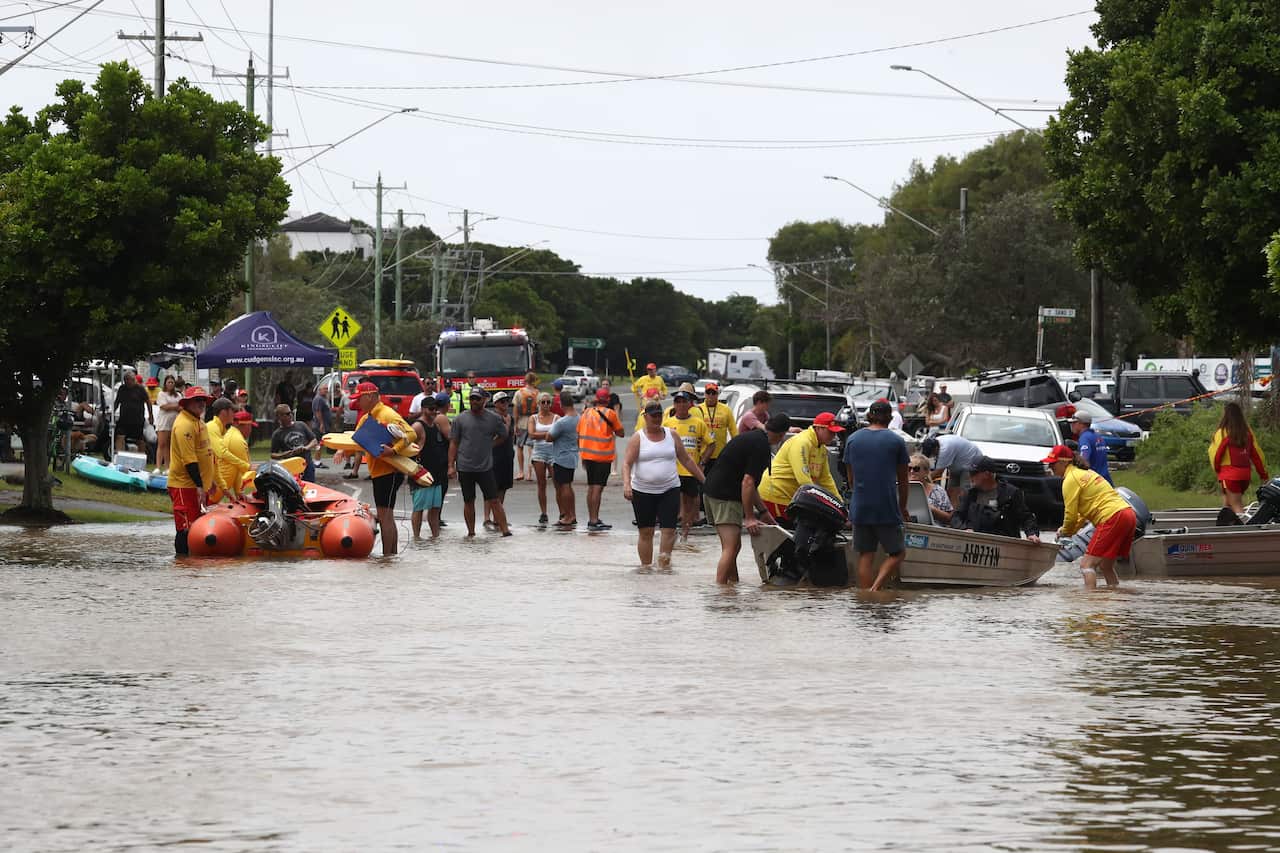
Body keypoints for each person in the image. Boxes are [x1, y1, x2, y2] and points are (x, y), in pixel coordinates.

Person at [703, 414, 791, 583]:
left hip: (712, 492)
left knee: (732, 547)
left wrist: (764, 511)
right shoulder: (761, 446)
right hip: (724, 496)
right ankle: (720, 591)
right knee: (731, 547)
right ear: (782, 435)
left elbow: (751, 485)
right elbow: (748, 482)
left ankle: (732, 586)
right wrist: (750, 517)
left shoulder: (755, 437)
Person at [622, 398, 705, 571]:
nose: (657, 419)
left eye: (659, 415)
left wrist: (704, 480)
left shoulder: (671, 435)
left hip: (669, 489)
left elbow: (686, 460)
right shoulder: (638, 438)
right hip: (642, 491)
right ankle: (646, 568)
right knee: (646, 533)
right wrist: (626, 485)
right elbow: (627, 463)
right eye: (653, 416)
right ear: (645, 417)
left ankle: (664, 566)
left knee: (669, 530)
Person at [1048, 444, 1136, 591]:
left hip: (1112, 517)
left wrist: (1065, 534)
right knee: (1106, 565)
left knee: (1086, 565)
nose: (1050, 468)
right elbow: (1080, 515)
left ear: (1064, 462)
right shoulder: (1086, 473)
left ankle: (1090, 602)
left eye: (1052, 464)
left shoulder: (1070, 480)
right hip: (1128, 514)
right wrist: (1067, 530)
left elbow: (1069, 514)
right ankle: (1117, 598)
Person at [843, 400, 910, 591]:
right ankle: (875, 590)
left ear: (869, 416)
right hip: (885, 506)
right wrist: (902, 507)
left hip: (860, 506)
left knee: (866, 554)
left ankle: (866, 597)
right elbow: (903, 480)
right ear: (890, 418)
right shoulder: (896, 441)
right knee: (898, 553)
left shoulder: (853, 439)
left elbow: (850, 479)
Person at [353, 381, 417, 555]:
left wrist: (394, 450)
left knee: (385, 516)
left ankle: (388, 557)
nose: (357, 402)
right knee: (385, 516)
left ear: (370, 396)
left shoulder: (387, 414)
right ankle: (391, 556)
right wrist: (343, 452)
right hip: (379, 473)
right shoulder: (367, 417)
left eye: (360, 398)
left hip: (389, 472)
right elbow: (355, 439)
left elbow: (411, 433)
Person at [448, 387, 511, 537]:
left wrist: (491, 444)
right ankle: (471, 533)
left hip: (485, 467)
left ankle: (505, 531)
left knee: (494, 499)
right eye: (472, 399)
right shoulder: (460, 419)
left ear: (484, 400)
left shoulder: (493, 418)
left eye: (477, 399)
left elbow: (504, 435)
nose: (474, 401)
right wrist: (451, 466)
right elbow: (454, 443)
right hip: (465, 466)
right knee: (468, 501)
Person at [758, 411, 843, 522]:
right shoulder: (802, 443)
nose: (833, 436)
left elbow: (826, 479)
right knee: (786, 534)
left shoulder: (821, 448)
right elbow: (804, 480)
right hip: (775, 493)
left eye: (834, 433)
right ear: (818, 428)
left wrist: (839, 504)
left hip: (792, 497)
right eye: (830, 432)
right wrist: (823, 503)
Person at [167, 386, 217, 555]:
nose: (201, 403)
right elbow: (190, 461)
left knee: (197, 526)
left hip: (199, 484)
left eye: (203, 400)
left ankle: (193, 561)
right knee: (185, 528)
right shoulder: (184, 425)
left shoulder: (198, 422)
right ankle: (182, 562)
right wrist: (199, 486)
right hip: (184, 485)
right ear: (187, 403)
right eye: (197, 400)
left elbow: (206, 453)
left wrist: (211, 480)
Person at [951, 456, 1040, 541]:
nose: (970, 477)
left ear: (986, 474)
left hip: (1004, 546)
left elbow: (1026, 517)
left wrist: (1031, 534)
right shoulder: (969, 494)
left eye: (973, 473)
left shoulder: (1011, 493)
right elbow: (956, 516)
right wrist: (964, 529)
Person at [574, 388, 625, 531]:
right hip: (602, 456)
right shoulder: (610, 414)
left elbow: (579, 432)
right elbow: (621, 432)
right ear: (608, 400)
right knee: (598, 488)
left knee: (591, 487)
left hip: (588, 456)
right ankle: (594, 520)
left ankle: (592, 518)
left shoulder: (586, 413)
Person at [663, 389, 712, 540]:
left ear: (689, 404)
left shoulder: (698, 423)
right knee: (671, 504)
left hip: (690, 471)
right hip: (672, 471)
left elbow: (711, 444)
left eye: (684, 402)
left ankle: (685, 533)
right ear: (674, 405)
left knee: (690, 503)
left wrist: (702, 462)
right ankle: (670, 533)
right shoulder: (668, 423)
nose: (681, 405)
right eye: (678, 402)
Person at [1209, 401, 1269, 517]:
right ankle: (1224, 529)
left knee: (1236, 505)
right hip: (1245, 475)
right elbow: (1257, 455)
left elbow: (1216, 454)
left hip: (1229, 475)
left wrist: (1217, 470)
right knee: (1227, 504)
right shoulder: (1247, 432)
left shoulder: (1221, 433)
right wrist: (1263, 475)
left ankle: (1245, 531)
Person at [410, 395, 450, 539]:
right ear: (422, 409)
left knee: (435, 509)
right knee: (419, 508)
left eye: (436, 409)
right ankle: (416, 537)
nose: (434, 412)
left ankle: (435, 538)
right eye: (431, 409)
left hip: (437, 474)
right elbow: (406, 448)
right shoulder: (417, 426)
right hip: (421, 475)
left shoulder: (436, 425)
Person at [546, 392, 581, 528]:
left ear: (561, 404)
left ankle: (567, 516)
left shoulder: (562, 422)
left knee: (564, 486)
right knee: (568, 486)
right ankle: (572, 514)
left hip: (561, 456)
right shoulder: (578, 417)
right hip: (572, 455)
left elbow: (549, 437)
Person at [920, 434, 985, 508]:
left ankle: (966, 512)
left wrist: (922, 480)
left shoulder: (945, 449)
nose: (933, 456)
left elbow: (938, 473)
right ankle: (953, 512)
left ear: (935, 448)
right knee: (952, 490)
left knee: (964, 491)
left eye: (932, 454)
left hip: (970, 462)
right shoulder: (936, 442)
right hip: (957, 463)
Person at [527, 392, 559, 525]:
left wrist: (542, 435)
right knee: (541, 484)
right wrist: (548, 434)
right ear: (538, 404)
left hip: (553, 451)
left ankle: (562, 512)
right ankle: (544, 512)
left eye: (548, 402)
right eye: (543, 402)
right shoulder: (533, 418)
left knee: (558, 483)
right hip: (539, 452)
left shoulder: (556, 418)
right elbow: (531, 434)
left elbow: (558, 433)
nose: (546, 405)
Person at [485, 391, 517, 530]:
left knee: (503, 487)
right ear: (496, 404)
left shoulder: (510, 417)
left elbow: (512, 435)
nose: (505, 404)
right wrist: (507, 425)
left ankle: (498, 517)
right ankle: (487, 517)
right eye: (502, 402)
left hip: (507, 454)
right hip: (494, 455)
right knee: (491, 487)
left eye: (507, 401)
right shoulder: (492, 418)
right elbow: (497, 435)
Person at [695, 382, 738, 480]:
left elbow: (734, 432)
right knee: (701, 482)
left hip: (719, 454)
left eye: (713, 393)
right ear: (705, 394)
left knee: (716, 482)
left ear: (717, 394)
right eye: (708, 393)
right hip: (702, 454)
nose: (710, 395)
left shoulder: (726, 410)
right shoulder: (698, 409)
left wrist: (735, 450)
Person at [270, 404, 317, 483]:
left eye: (291, 412)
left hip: (306, 464)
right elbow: (273, 454)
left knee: (310, 487)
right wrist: (285, 454)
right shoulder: (277, 434)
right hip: (291, 467)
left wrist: (306, 448)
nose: (290, 415)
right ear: (279, 416)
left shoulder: (301, 425)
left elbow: (314, 440)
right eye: (287, 414)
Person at [113, 370, 154, 454]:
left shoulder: (140, 389)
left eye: (129, 380)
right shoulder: (122, 388)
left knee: (140, 439)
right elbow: (117, 402)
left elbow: (148, 402)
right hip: (124, 419)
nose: (127, 382)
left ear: (133, 379)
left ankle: (142, 456)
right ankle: (120, 456)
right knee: (119, 436)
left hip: (137, 420)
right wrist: (112, 412)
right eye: (126, 380)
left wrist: (150, 415)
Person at [908, 452, 953, 524]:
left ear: (926, 472)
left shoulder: (938, 491)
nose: (911, 471)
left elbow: (949, 518)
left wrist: (930, 509)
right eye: (909, 468)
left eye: (916, 469)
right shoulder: (900, 489)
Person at [220, 410, 256, 499]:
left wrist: (238, 492)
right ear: (244, 425)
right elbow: (247, 472)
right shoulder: (238, 440)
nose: (251, 430)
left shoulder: (231, 434)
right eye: (250, 426)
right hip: (216, 489)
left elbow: (238, 469)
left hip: (218, 487)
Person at [512, 372, 541, 480]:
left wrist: (515, 424)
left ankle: (520, 472)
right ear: (534, 381)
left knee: (519, 447)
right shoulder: (538, 393)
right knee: (531, 448)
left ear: (525, 381)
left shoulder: (519, 393)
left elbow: (515, 409)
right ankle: (530, 473)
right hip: (533, 422)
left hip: (522, 422)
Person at [1069, 410, 1112, 484]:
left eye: (1074, 422)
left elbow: (1084, 460)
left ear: (1082, 424)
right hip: (1106, 480)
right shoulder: (1098, 436)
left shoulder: (1084, 438)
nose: (1072, 425)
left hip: (1094, 482)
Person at [154, 375, 182, 470]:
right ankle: (158, 466)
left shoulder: (178, 395)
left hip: (174, 422)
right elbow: (164, 407)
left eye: (172, 382)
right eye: (168, 382)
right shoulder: (161, 394)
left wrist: (172, 406)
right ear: (165, 383)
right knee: (162, 444)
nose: (170, 384)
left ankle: (167, 467)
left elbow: (181, 407)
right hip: (163, 422)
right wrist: (175, 406)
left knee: (169, 445)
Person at [311, 384, 334, 469]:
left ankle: (318, 460)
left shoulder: (324, 398)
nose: (326, 390)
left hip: (325, 424)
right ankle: (316, 462)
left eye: (327, 388)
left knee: (321, 443)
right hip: (319, 425)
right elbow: (318, 412)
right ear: (319, 390)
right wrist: (321, 423)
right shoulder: (318, 399)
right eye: (324, 389)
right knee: (319, 443)